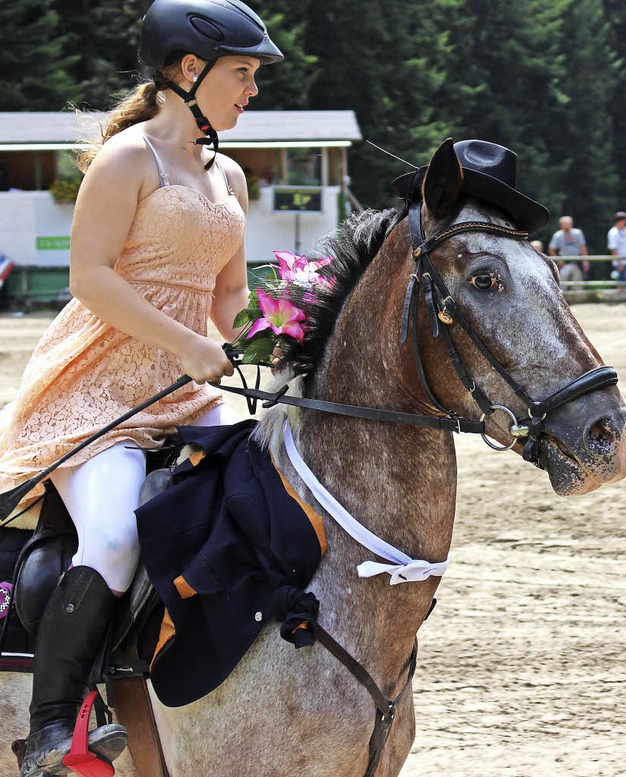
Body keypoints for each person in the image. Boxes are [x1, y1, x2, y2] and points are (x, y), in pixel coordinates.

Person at [0, 1, 283, 774]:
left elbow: (226, 297)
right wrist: (190, 342)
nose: (253, 89)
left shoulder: (225, 172)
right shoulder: (130, 160)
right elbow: (88, 278)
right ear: (187, 72)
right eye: (243, 73)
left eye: (255, 75)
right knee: (118, 535)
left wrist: (278, 325)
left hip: (189, 392)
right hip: (98, 391)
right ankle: (54, 724)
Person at [548, 216, 589, 285]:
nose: (567, 226)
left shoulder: (578, 233)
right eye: (565, 224)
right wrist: (559, 262)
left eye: (568, 223)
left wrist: (585, 261)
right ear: (561, 225)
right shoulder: (557, 235)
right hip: (564, 263)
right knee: (562, 284)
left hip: (577, 262)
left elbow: (582, 247)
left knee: (578, 284)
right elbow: (551, 250)